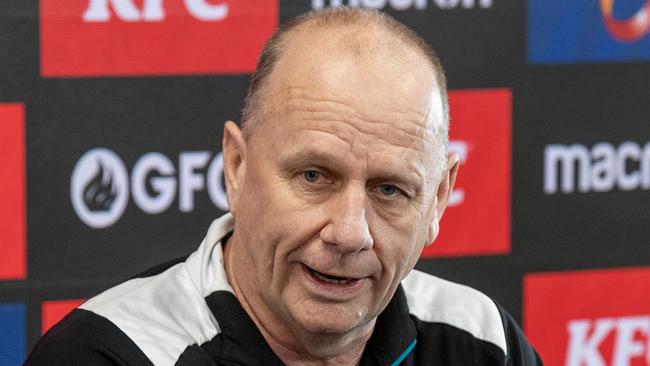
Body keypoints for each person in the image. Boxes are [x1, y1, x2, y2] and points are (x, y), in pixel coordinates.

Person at [26, 7, 542, 366]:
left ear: (436, 199)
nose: (349, 233)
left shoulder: (482, 340)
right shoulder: (108, 354)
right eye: (314, 177)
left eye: (389, 190)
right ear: (237, 167)